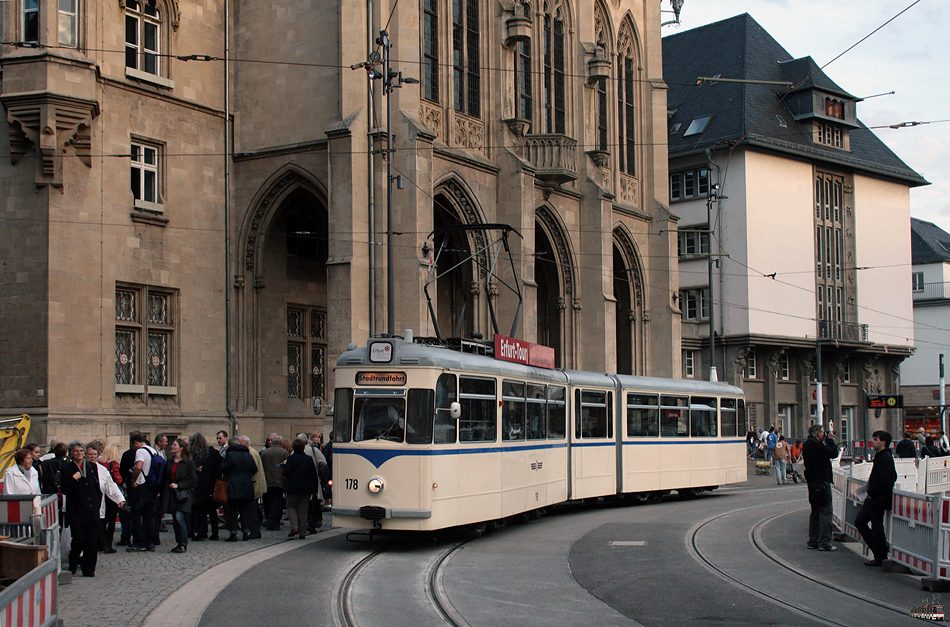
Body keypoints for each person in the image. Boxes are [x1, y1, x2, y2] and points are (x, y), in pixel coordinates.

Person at [60, 441, 103, 576]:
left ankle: (89, 569)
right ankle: (73, 562)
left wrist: (97, 505)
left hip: (91, 510)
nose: (79, 453)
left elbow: (96, 488)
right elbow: (65, 489)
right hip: (77, 511)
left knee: (91, 543)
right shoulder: (67, 469)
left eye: (81, 451)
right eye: (76, 451)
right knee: (79, 539)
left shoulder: (91, 467)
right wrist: (74, 479)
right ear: (71, 453)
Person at [854, 431, 897, 567]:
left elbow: (885, 479)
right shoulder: (882, 456)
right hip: (875, 497)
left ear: (883, 442)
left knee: (875, 525)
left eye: (875, 440)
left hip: (877, 498)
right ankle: (879, 552)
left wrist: (872, 492)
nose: (873, 442)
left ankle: (880, 554)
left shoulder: (884, 457)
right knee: (863, 522)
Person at [803, 423, 839, 551]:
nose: (825, 434)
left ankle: (813, 540)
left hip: (812, 481)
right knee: (825, 512)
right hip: (822, 481)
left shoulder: (807, 444)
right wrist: (830, 440)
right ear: (817, 433)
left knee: (815, 512)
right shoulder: (817, 445)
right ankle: (824, 542)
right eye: (823, 432)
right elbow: (833, 453)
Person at [85, 445, 125, 556]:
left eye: (94, 455)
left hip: (98, 504)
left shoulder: (102, 470)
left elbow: (110, 485)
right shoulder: (80, 468)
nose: (92, 457)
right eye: (90, 454)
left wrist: (119, 499)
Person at [162, 438, 197, 553]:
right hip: (172, 495)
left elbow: (193, 480)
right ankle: (179, 542)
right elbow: (166, 478)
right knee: (176, 519)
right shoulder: (170, 461)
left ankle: (183, 543)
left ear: (181, 448)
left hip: (183, 495)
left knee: (179, 517)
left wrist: (179, 485)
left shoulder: (189, 463)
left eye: (174, 445)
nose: (172, 446)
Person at [220, 437, 257, 541]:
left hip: (233, 484)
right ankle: (245, 532)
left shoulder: (230, 455)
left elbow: (223, 469)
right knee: (245, 509)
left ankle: (233, 533)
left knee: (232, 510)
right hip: (246, 484)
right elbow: (254, 469)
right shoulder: (248, 454)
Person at [127, 433, 159, 552]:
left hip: (142, 485)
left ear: (135, 442)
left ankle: (139, 542)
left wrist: (133, 480)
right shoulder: (153, 451)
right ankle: (150, 541)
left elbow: (139, 466)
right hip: (152, 485)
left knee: (135, 514)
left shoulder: (140, 451)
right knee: (149, 515)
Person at [283, 437, 319, 539]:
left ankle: (294, 526)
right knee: (303, 510)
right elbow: (313, 475)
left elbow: (286, 473)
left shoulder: (290, 459)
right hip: (306, 488)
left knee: (291, 507)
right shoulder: (308, 459)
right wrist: (315, 490)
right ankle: (302, 532)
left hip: (293, 488)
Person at [189, 432, 221, 541]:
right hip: (211, 484)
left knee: (200, 509)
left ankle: (202, 532)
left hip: (199, 484)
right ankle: (215, 532)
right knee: (211, 510)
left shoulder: (194, 453)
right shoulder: (211, 452)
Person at [97, 444, 124, 553]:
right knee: (111, 521)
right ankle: (108, 544)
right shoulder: (114, 464)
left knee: (102, 520)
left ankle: (100, 542)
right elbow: (118, 480)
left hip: (102, 495)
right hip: (112, 496)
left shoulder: (99, 462)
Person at [116, 432, 141, 547]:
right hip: (142, 487)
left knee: (126, 513)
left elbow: (122, 471)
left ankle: (126, 536)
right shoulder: (147, 453)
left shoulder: (128, 454)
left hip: (129, 487)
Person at [238, 435, 265, 539]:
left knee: (252, 509)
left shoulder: (250, 453)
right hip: (255, 483)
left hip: (253, 484)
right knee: (254, 508)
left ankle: (255, 530)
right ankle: (256, 527)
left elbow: (254, 469)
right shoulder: (251, 451)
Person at [260, 434, 289, 530]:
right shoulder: (284, 452)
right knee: (277, 503)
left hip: (267, 481)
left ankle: (269, 519)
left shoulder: (264, 453)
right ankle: (273, 522)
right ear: (280, 443)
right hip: (279, 481)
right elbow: (286, 466)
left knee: (268, 502)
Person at [303, 433, 327, 531]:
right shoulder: (314, 450)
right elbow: (323, 462)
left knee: (303, 503)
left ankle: (305, 522)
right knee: (314, 501)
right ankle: (315, 521)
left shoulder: (293, 453)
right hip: (313, 479)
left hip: (299, 482)